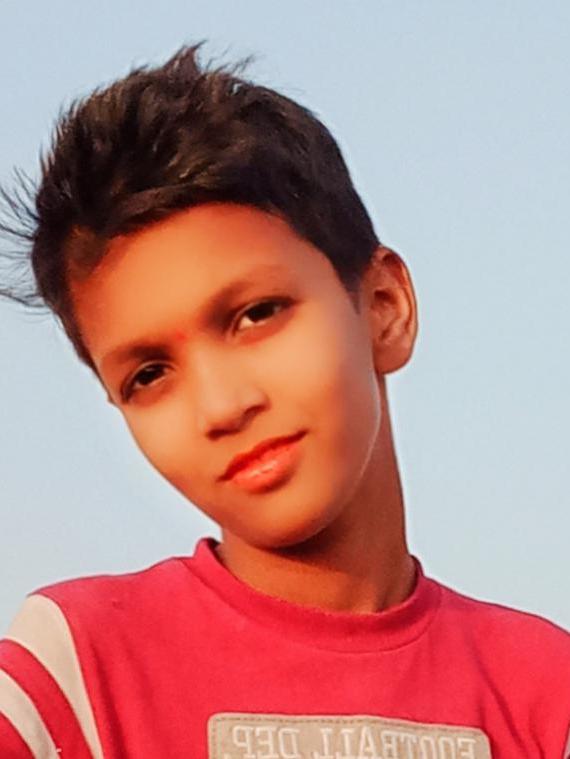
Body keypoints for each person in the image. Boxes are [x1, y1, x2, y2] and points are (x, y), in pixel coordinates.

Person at [0, 42, 568, 759]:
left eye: (257, 314)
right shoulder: (72, 682)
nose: (221, 406)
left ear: (384, 307)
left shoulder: (545, 696)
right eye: (149, 374)